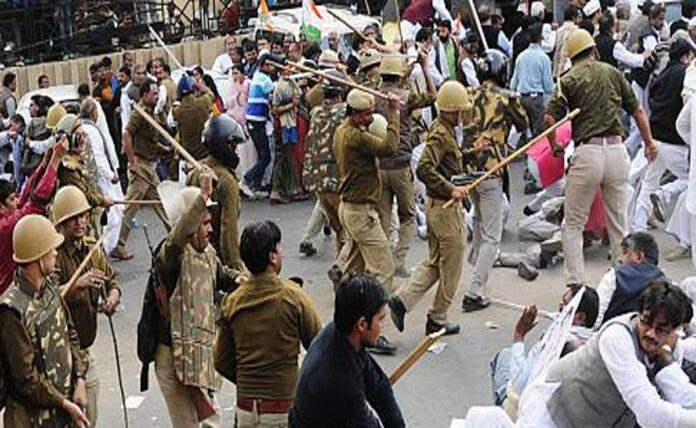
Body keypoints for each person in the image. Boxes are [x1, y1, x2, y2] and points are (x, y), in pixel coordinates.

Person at [544, 29, 657, 286]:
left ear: (572, 58)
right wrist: (649, 143)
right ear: (594, 51)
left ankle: (577, 286)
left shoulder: (567, 79)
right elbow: (638, 110)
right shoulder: (614, 73)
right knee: (619, 225)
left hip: (588, 153)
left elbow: (550, 118)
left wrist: (555, 147)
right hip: (617, 153)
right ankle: (623, 281)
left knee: (572, 223)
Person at [517, 281, 696, 427]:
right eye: (646, 322)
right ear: (639, 314)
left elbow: (683, 396)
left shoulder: (673, 349)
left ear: (675, 331)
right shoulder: (617, 336)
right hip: (551, 415)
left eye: (661, 329)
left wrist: (668, 365)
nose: (650, 334)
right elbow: (648, 412)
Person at [155, 167, 240, 427]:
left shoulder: (206, 252)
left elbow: (222, 274)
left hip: (200, 357)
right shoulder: (171, 254)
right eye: (204, 222)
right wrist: (203, 194)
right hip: (177, 360)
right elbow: (179, 236)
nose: (210, 228)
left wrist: (246, 280)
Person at [215, 220, 322, 427]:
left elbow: (221, 360)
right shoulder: (293, 298)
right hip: (282, 411)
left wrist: (250, 378)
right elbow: (320, 348)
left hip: (246, 411)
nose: (281, 252)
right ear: (272, 257)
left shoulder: (233, 302)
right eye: (279, 248)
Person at [388, 81, 472, 335]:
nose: (461, 115)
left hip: (440, 209)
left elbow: (448, 164)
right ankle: (437, 317)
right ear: (449, 110)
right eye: (458, 111)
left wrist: (470, 152)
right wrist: (450, 189)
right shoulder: (441, 134)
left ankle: (402, 301)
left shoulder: (443, 130)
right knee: (452, 266)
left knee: (436, 262)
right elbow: (424, 168)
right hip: (445, 209)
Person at [0, 214, 90, 428]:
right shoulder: (11, 311)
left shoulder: (50, 288)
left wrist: (80, 379)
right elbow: (25, 379)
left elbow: (71, 335)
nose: (56, 253)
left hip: (62, 412)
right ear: (39, 255)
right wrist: (65, 404)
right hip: (31, 419)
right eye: (51, 248)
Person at [331, 88, 401, 353]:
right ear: (355, 114)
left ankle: (346, 325)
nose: (372, 118)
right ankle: (372, 329)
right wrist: (393, 112)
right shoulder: (355, 137)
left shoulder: (343, 129)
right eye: (367, 114)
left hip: (351, 208)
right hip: (360, 212)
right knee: (384, 268)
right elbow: (390, 148)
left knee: (353, 273)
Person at [290, 273, 405, 428]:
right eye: (381, 319)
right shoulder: (340, 377)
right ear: (362, 324)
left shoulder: (342, 335)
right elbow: (367, 423)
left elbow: (379, 387)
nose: (383, 326)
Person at [462, 51, 529, 312]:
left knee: (479, 222)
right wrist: (513, 99)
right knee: (492, 235)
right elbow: (524, 124)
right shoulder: (506, 98)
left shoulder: (468, 93)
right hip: (491, 170)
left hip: (467, 169)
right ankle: (474, 291)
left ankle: (478, 279)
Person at [52, 185, 121, 426]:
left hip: (85, 349)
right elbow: (46, 300)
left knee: (90, 414)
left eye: (82, 216)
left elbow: (111, 278)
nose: (80, 222)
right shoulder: (54, 256)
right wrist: (76, 285)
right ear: (61, 223)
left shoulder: (92, 247)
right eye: (73, 219)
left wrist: (112, 296)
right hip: (60, 355)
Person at [374, 52, 436, 278]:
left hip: (380, 165)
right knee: (409, 216)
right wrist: (425, 67)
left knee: (384, 218)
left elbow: (394, 82)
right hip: (400, 166)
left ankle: (383, 263)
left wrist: (411, 66)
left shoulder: (374, 96)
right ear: (400, 76)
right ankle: (397, 261)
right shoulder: (406, 98)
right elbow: (432, 95)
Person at [491, 285, 600, 410]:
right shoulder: (592, 344)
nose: (559, 305)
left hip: (525, 410)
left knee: (504, 355)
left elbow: (518, 386)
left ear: (580, 317)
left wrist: (519, 336)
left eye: (565, 304)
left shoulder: (557, 342)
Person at [632, 39, 694, 235]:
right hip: (673, 140)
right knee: (690, 178)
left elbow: (650, 101)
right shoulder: (686, 75)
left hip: (655, 138)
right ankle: (665, 194)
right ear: (686, 56)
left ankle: (638, 229)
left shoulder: (662, 74)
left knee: (648, 184)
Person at [111, 81, 170, 260]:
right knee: (130, 208)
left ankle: (176, 235)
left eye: (157, 93)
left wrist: (164, 149)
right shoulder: (139, 113)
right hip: (140, 167)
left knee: (161, 203)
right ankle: (119, 246)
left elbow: (149, 139)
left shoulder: (151, 113)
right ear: (144, 95)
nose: (157, 96)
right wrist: (132, 162)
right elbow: (127, 134)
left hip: (149, 166)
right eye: (153, 93)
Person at [0, 136, 67, 294]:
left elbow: (25, 198)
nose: (17, 201)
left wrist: (44, 164)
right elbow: (35, 203)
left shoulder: (8, 218)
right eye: (11, 199)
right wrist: (55, 160)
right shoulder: (5, 227)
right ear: (1, 207)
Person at [187, 115, 246, 272]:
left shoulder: (195, 173)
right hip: (216, 261)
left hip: (193, 256)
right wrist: (237, 270)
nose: (236, 151)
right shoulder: (227, 182)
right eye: (233, 146)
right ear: (224, 146)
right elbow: (228, 234)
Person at [300, 71, 347, 259]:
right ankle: (341, 268)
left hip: (317, 180)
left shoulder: (316, 112)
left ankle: (341, 271)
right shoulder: (344, 112)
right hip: (336, 179)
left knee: (339, 232)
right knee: (348, 233)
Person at [80, 98, 124, 254]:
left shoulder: (85, 129)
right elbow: (98, 158)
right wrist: (111, 174)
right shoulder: (91, 131)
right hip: (100, 181)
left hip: (93, 180)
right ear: (94, 113)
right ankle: (104, 251)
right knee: (114, 217)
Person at [594, 232, 665, 327]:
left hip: (612, 334)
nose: (620, 259)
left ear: (639, 256)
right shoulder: (666, 282)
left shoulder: (614, 276)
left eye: (624, 253)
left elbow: (595, 317)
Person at [55, 114, 113, 222]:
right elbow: (85, 194)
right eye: (78, 136)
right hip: (75, 219)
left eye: (84, 135)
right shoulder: (67, 166)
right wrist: (103, 200)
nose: (83, 140)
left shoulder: (79, 156)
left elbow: (92, 182)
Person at [511, 23, 554, 135]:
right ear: (541, 38)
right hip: (536, 99)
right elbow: (548, 86)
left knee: (524, 131)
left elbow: (513, 84)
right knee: (539, 132)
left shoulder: (521, 57)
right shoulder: (544, 58)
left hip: (521, 99)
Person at [270, 63, 303, 203]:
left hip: (291, 123)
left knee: (289, 156)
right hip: (283, 124)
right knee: (282, 156)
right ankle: (276, 190)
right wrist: (291, 105)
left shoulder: (292, 81)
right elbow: (275, 109)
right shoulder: (280, 87)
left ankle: (292, 188)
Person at [243, 54, 275, 192]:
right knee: (266, 156)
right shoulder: (263, 79)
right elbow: (275, 88)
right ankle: (248, 178)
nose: (271, 68)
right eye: (269, 65)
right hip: (257, 122)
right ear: (262, 66)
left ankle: (256, 184)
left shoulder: (256, 76)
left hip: (253, 121)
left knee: (262, 155)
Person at [173, 74, 214, 161]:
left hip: (187, 156)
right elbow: (211, 94)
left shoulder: (177, 111)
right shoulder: (204, 102)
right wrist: (200, 86)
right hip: (204, 154)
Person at [119, 63, 147, 135]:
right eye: (138, 73)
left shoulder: (147, 88)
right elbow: (126, 118)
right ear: (133, 75)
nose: (141, 76)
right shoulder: (127, 93)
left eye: (143, 73)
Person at [553, 6, 581, 77]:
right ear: (573, 18)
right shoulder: (576, 30)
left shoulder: (558, 31)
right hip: (569, 67)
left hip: (557, 67)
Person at [431, 19, 459, 84]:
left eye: (443, 31)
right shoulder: (436, 45)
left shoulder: (454, 42)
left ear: (449, 31)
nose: (440, 34)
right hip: (443, 80)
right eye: (439, 31)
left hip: (455, 79)